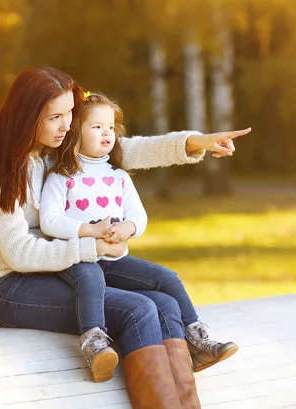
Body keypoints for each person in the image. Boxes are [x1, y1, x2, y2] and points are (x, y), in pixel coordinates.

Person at [0, 65, 251, 409]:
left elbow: (123, 150)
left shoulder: (53, 142)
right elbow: (19, 253)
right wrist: (92, 245)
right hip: (9, 285)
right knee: (138, 310)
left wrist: (194, 142)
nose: (67, 125)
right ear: (28, 116)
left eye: (70, 113)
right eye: (56, 117)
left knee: (166, 302)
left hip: (65, 262)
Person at [38, 91, 238, 382]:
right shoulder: (61, 177)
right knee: (91, 278)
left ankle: (197, 339)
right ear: (74, 133)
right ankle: (95, 343)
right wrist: (88, 231)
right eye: (96, 127)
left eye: (111, 127)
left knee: (166, 277)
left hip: (115, 259)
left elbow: (138, 216)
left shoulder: (118, 176)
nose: (107, 133)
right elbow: (50, 221)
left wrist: (127, 229)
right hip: (79, 259)